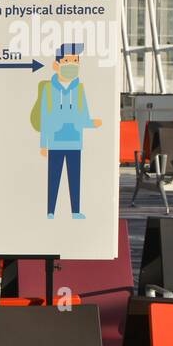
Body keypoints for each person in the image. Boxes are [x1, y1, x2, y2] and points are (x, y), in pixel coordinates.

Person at [35, 42, 102, 219]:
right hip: (55, 142)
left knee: (74, 178)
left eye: (75, 61)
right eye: (67, 61)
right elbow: (45, 118)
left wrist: (92, 123)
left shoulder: (79, 90)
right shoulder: (49, 90)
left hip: (74, 141)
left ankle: (75, 211)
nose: (72, 65)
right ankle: (50, 211)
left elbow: (83, 115)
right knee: (54, 177)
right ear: (56, 65)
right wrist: (44, 143)